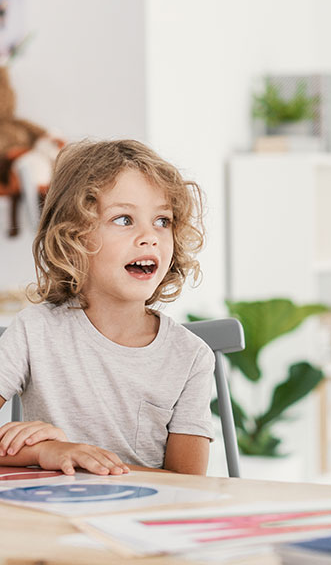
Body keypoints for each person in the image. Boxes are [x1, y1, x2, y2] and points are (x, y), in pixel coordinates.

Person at [0, 139, 214, 475]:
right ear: (71, 238)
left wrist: (88, 462)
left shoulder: (191, 358)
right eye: (124, 219)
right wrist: (43, 452)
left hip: (144, 520)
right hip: (53, 520)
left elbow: (187, 484)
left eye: (163, 221)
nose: (150, 237)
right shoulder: (34, 331)